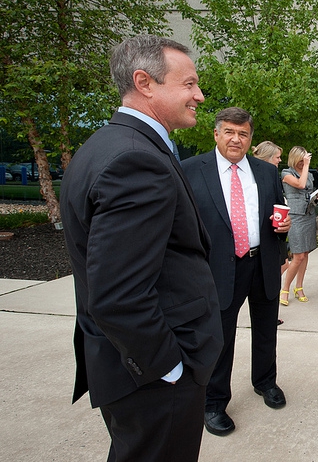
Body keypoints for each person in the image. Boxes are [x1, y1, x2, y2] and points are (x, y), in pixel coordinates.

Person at [59, 34, 224, 461]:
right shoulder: (136, 160)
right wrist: (169, 369)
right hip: (151, 380)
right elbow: (118, 294)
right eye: (188, 83)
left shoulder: (108, 145)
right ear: (144, 82)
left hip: (127, 369)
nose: (199, 95)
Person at [182, 108, 292, 437]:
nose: (236, 139)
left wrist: (283, 229)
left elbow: (276, 215)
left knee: (265, 330)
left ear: (250, 138)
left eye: (243, 134)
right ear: (216, 134)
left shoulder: (265, 171)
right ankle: (213, 402)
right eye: (229, 132)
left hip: (262, 263)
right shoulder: (191, 170)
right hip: (218, 268)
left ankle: (265, 382)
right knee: (219, 337)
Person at [281, 146, 318, 304]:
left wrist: (317, 196)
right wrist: (306, 165)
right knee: (297, 255)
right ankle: (285, 288)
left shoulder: (310, 175)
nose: (302, 163)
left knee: (305, 254)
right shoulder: (286, 173)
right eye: (300, 160)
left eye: (304, 160)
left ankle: (299, 287)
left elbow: (307, 190)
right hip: (296, 217)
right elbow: (300, 184)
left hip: (309, 215)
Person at [252, 141, 292, 275]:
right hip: (263, 234)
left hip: (276, 229)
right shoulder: (251, 178)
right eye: (277, 157)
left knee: (283, 263)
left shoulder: (273, 175)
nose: (280, 160)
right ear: (267, 157)